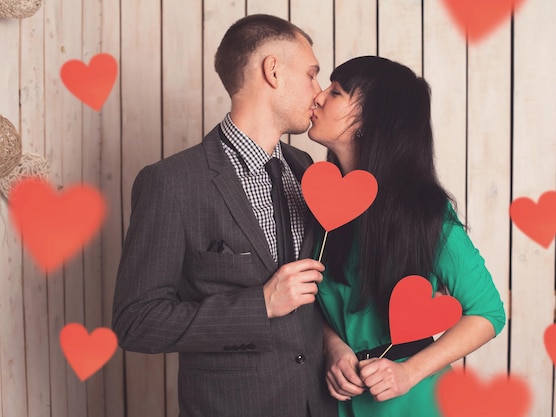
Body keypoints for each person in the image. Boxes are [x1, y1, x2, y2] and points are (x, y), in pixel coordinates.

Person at [112, 14, 337, 417]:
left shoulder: (306, 168)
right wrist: (260, 305)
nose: (319, 93)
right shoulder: (172, 183)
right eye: (311, 74)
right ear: (272, 71)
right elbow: (136, 322)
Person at [307, 56, 506, 417]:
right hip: (330, 399)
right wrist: (332, 345)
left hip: (413, 403)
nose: (318, 98)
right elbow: (310, 302)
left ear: (370, 119)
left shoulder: (424, 212)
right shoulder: (320, 205)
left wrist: (408, 372)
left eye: (335, 92)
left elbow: (488, 312)